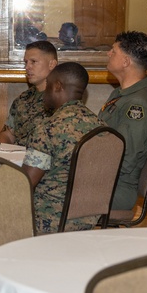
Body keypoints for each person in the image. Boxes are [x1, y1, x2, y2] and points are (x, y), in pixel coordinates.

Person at [22, 62, 102, 234]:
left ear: (57, 86)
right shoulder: (102, 127)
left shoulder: (48, 129)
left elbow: (25, 183)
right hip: (90, 221)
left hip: (48, 221)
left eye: (48, 85)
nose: (44, 92)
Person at [99, 31, 147, 211]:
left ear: (126, 62)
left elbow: (125, 159)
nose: (108, 54)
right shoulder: (120, 94)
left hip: (116, 188)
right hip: (105, 181)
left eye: (113, 51)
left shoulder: (138, 105)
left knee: (48, 192)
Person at [0, 41, 58, 146]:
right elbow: (7, 134)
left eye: (33, 62)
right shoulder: (23, 99)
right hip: (16, 159)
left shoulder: (61, 97)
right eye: (26, 62)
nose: (27, 67)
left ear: (51, 64)